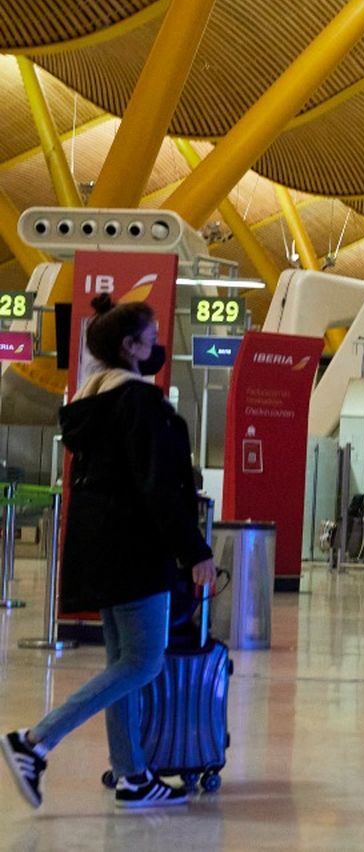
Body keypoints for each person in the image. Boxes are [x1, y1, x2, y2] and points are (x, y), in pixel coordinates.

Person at [4, 294, 215, 810]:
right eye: (152, 339)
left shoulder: (90, 404)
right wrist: (194, 551)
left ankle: (132, 774)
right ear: (130, 347)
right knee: (143, 662)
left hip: (99, 547)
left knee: (124, 660)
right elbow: (160, 487)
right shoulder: (139, 403)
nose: (158, 346)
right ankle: (35, 741)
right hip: (135, 549)